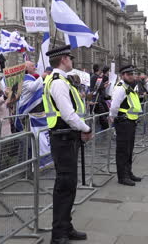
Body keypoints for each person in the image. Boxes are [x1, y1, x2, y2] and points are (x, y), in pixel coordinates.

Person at [42, 45, 92, 244]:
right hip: (63, 138)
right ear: (64, 59)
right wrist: (85, 128)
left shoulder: (62, 81)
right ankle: (59, 233)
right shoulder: (58, 82)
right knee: (64, 185)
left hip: (68, 138)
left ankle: (66, 226)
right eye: (70, 57)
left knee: (69, 185)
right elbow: (68, 114)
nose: (72, 60)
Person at [108, 65, 143, 186]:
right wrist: (112, 117)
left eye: (132, 74)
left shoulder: (128, 87)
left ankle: (128, 172)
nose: (131, 76)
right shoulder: (120, 87)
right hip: (123, 122)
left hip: (130, 121)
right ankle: (122, 176)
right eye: (128, 74)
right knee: (123, 150)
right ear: (122, 75)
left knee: (129, 150)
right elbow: (114, 106)